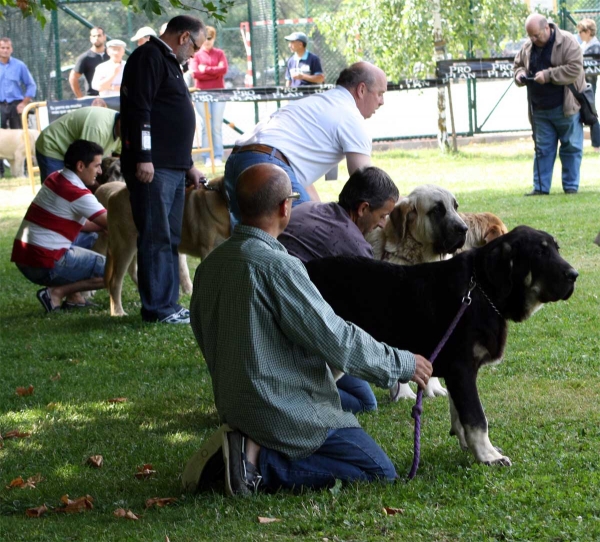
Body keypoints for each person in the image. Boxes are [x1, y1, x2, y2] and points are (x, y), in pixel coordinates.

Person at [188, 163, 431, 496]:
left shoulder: (210, 266)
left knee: (356, 399)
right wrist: (403, 364)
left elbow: (204, 335)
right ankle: (255, 464)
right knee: (377, 471)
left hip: (236, 407)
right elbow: (338, 340)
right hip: (282, 412)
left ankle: (247, 448)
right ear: (285, 206)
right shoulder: (279, 267)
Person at [278, 166, 398, 415]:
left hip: (271, 325)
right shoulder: (356, 250)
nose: (383, 224)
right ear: (363, 208)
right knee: (366, 402)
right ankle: (295, 394)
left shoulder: (308, 208)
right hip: (293, 340)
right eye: (383, 215)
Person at [224, 61, 388, 225]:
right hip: (269, 165)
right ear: (361, 90)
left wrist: (319, 214)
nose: (382, 102)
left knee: (249, 243)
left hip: (238, 160)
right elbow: (367, 182)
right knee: (306, 238)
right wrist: (396, 206)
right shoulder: (351, 116)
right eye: (379, 94)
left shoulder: (321, 103)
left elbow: (299, 174)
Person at [120, 15, 206, 324]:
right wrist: (143, 156)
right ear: (184, 37)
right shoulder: (149, 57)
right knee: (155, 235)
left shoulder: (168, 61)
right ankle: (157, 309)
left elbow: (170, 115)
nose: (195, 54)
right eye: (195, 46)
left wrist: (189, 165)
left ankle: (168, 305)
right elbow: (139, 110)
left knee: (170, 236)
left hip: (173, 166)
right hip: (152, 168)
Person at [11, 140, 107, 313]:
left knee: (93, 237)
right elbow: (112, 222)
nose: (99, 172)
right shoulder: (77, 193)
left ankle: (74, 298)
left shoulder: (56, 176)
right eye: (97, 166)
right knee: (111, 271)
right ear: (80, 165)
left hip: (24, 257)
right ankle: (56, 293)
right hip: (42, 263)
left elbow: (86, 224)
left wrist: (102, 227)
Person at [514, 14, 586, 196]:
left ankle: (570, 187)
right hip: (539, 108)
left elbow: (574, 68)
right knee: (542, 150)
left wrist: (548, 75)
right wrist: (520, 75)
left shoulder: (568, 41)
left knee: (571, 147)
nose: (533, 39)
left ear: (547, 28)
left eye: (536, 35)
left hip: (565, 106)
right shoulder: (528, 46)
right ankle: (540, 188)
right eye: (530, 36)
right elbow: (518, 65)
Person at [35, 106, 121, 184]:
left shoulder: (124, 134)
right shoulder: (98, 129)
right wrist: (103, 191)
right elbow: (83, 169)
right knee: (56, 191)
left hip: (73, 154)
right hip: (53, 146)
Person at [189, 25, 228, 167]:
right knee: (205, 125)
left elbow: (223, 69)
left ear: (214, 38)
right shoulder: (196, 54)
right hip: (201, 94)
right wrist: (214, 71)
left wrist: (205, 69)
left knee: (216, 125)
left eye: (210, 38)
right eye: (205, 38)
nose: (207, 41)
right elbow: (195, 73)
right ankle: (207, 156)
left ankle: (218, 155)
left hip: (219, 93)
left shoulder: (220, 53)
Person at [0, 37, 36, 177]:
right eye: (2, 47)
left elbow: (31, 85)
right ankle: (0, 172)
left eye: (7, 48)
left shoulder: (19, 65)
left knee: (23, 139)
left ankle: (25, 172)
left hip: (16, 105)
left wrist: (24, 103)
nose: (5, 50)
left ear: (12, 49)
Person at [577, 18, 600, 152]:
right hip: (582, 82)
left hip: (588, 84)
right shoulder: (584, 45)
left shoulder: (595, 46)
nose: (580, 34)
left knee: (590, 112)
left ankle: (597, 144)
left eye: (582, 31)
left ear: (589, 31)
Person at [69, 27, 108, 99]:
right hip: (94, 98)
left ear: (104, 37)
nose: (96, 38)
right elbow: (73, 77)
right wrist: (80, 98)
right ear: (90, 38)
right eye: (94, 36)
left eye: (99, 35)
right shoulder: (85, 57)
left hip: (112, 95)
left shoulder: (112, 55)